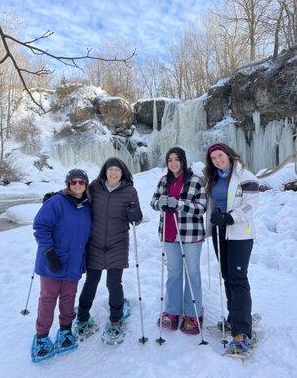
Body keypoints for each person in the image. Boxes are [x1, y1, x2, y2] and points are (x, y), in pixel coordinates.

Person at [74, 157, 142, 342]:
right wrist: (57, 196)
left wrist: (135, 214)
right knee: (91, 281)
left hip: (117, 243)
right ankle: (82, 316)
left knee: (113, 283)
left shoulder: (129, 191)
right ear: (105, 171)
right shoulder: (95, 187)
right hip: (94, 243)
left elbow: (137, 219)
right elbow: (76, 194)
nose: (113, 173)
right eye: (110, 169)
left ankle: (116, 319)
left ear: (122, 173)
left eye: (117, 170)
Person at [204, 143, 259, 354]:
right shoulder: (214, 178)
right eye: (214, 158)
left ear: (228, 154)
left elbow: (250, 205)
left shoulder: (245, 175)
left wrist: (229, 217)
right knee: (227, 275)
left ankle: (242, 330)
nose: (218, 160)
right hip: (220, 233)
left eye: (220, 156)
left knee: (238, 277)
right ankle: (233, 317)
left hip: (239, 234)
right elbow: (211, 204)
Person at [31, 169, 91, 362]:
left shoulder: (88, 205)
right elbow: (40, 226)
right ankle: (41, 336)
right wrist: (48, 252)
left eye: (81, 182)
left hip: (73, 262)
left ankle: (65, 330)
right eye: (73, 182)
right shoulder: (56, 203)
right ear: (68, 184)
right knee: (48, 298)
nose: (78, 185)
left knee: (68, 297)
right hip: (53, 260)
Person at [150, 147, 206, 334]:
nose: (173, 163)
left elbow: (201, 207)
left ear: (183, 160)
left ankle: (193, 312)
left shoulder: (196, 181)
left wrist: (180, 204)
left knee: (192, 272)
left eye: (176, 159)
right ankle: (172, 310)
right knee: (174, 273)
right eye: (169, 160)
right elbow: (153, 202)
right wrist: (161, 203)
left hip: (190, 235)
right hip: (169, 233)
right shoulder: (164, 180)